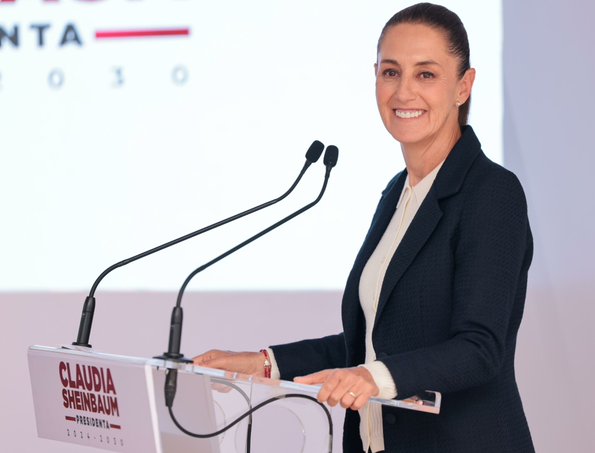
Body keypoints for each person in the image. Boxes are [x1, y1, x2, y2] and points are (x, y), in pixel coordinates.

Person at [194, 3, 535, 452]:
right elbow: (372, 346)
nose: (404, 92)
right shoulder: (397, 193)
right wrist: (265, 363)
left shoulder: (490, 192)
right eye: (391, 72)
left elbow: (480, 349)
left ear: (463, 86)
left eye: (426, 74)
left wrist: (372, 378)